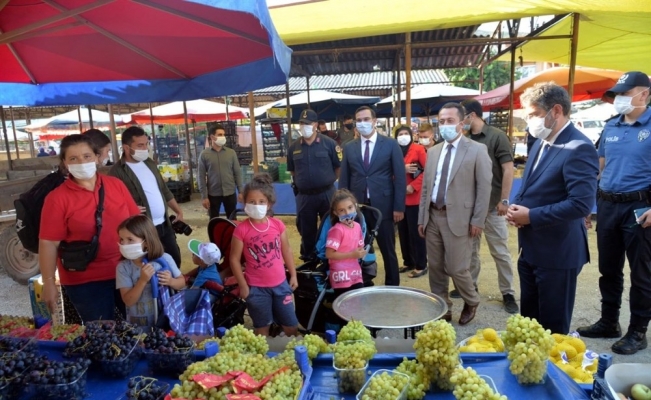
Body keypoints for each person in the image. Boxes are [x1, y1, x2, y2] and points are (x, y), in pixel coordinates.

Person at [507, 82, 599, 334]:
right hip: (530, 249)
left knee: (553, 331)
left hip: (558, 253)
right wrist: (517, 209)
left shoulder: (579, 147)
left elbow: (580, 204)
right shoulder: (541, 142)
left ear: (556, 110)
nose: (530, 122)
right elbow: (534, 184)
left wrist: (531, 216)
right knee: (529, 325)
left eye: (534, 114)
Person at [577, 71, 651, 354]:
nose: (620, 98)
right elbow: (600, 166)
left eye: (626, 93)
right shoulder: (611, 125)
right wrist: (587, 203)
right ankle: (609, 322)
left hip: (639, 206)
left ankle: (638, 331)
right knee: (608, 268)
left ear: (644, 93)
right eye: (618, 93)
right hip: (607, 204)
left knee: (641, 273)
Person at [39, 134, 140, 322]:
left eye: (86, 156)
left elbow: (138, 225)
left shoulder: (116, 185)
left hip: (127, 271)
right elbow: (49, 243)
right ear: (64, 163)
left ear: (97, 157)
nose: (81, 162)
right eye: (73, 158)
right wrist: (49, 282)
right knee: (102, 332)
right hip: (86, 281)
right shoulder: (57, 198)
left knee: (138, 327)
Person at [417, 102, 492, 326]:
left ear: (462, 123)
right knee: (436, 267)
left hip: (460, 218)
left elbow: (484, 188)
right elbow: (426, 188)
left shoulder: (477, 150)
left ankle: (472, 300)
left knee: (457, 267)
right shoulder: (433, 151)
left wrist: (478, 220)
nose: (445, 125)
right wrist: (422, 218)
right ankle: (443, 307)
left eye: (450, 121)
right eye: (441, 121)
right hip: (433, 215)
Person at [457, 99, 518, 314]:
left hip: (493, 205)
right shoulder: (464, 138)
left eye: (462, 116)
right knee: (470, 251)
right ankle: (470, 287)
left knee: (500, 251)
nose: (460, 121)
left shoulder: (496, 136)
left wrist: (504, 200)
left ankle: (508, 292)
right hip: (470, 206)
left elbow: (508, 169)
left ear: (472, 115)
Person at [339, 106, 406, 286]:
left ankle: (392, 286)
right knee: (358, 248)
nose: (362, 123)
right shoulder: (349, 147)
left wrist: (399, 207)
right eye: (359, 120)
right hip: (357, 208)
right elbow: (344, 179)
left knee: (388, 249)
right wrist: (343, 209)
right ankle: (361, 283)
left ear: (374, 121)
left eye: (366, 119)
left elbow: (400, 178)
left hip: (383, 207)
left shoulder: (390, 144)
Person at [229, 173, 299, 336]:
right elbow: (234, 259)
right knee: (262, 330)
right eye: (252, 202)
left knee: (291, 327)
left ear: (269, 204)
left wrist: (293, 275)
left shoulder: (277, 225)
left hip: (281, 285)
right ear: (245, 203)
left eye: (261, 202)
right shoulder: (241, 230)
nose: (257, 205)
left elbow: (286, 250)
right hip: (256, 289)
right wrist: (243, 286)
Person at [109, 126, 184, 267]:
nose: (145, 148)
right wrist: (129, 209)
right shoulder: (116, 172)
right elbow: (112, 203)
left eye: (146, 144)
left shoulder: (150, 163)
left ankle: (175, 282)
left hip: (165, 224)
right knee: (152, 264)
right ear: (126, 147)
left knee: (174, 259)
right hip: (143, 229)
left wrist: (178, 210)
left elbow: (164, 189)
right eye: (140, 145)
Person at [287, 109, 340, 261]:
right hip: (305, 196)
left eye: (308, 123)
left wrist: (327, 181)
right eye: (301, 123)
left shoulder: (330, 144)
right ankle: (309, 258)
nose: (304, 126)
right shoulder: (293, 147)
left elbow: (338, 167)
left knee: (330, 226)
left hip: (327, 193)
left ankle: (329, 258)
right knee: (306, 229)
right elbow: (293, 171)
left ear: (315, 124)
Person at [116, 215, 185, 328]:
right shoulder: (123, 267)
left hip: (166, 323)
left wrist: (171, 281)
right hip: (138, 327)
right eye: (122, 239)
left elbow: (182, 283)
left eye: (130, 240)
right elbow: (128, 301)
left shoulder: (165, 259)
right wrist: (142, 281)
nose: (124, 244)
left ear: (147, 242)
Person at [324, 189, 367, 330]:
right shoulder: (337, 230)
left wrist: (361, 252)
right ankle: (341, 333)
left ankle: (355, 331)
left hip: (355, 273)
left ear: (355, 206)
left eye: (350, 208)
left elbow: (359, 245)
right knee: (344, 309)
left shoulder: (358, 227)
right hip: (341, 276)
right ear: (336, 213)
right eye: (342, 210)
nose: (347, 213)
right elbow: (329, 254)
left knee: (357, 305)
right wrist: (352, 255)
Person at [394, 125, 428, 278]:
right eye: (400, 134)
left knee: (416, 233)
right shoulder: (394, 150)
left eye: (405, 133)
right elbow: (387, 171)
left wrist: (413, 186)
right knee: (403, 232)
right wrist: (403, 168)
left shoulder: (419, 149)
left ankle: (421, 264)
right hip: (399, 198)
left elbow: (427, 171)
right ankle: (408, 261)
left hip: (414, 197)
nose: (403, 136)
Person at [197, 124, 243, 220]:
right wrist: (204, 196)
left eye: (223, 134)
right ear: (212, 137)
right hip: (213, 194)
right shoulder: (204, 154)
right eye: (220, 134)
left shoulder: (231, 153)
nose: (223, 137)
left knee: (232, 219)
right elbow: (201, 176)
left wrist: (240, 191)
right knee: (214, 220)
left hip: (230, 192)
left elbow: (237, 172)